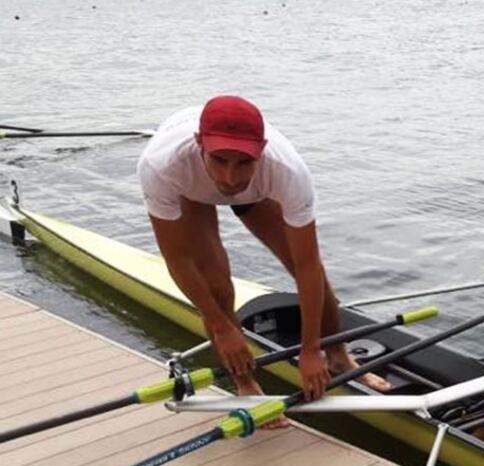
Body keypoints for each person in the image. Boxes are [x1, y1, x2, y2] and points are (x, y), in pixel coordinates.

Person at [136, 95, 390, 409]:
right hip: (192, 193)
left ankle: (338, 355)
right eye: (220, 160)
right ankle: (246, 385)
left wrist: (311, 349)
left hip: (257, 192)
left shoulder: (287, 171)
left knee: (309, 271)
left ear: (263, 150)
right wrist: (221, 326)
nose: (230, 178)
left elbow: (307, 265)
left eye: (244, 162)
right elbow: (178, 259)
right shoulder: (161, 166)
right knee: (217, 287)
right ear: (199, 143)